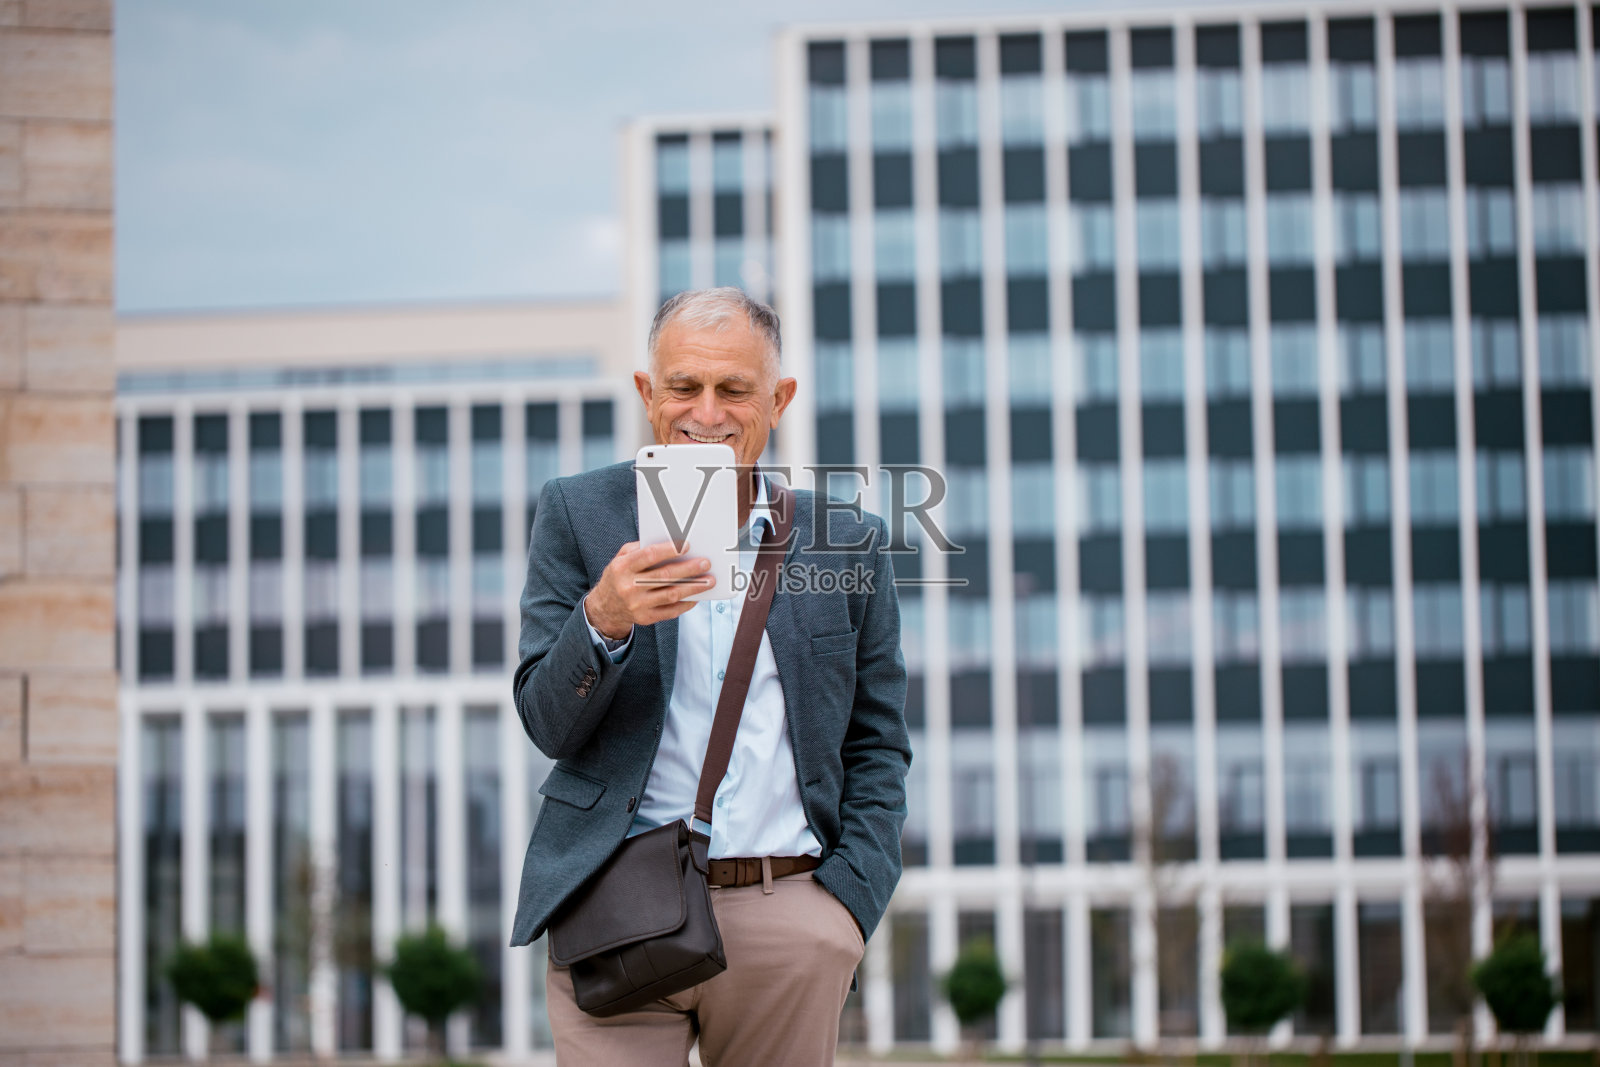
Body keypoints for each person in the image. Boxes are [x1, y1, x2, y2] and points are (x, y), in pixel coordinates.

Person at [509, 287, 911, 1065]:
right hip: (614, 903)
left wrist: (846, 907)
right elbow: (545, 721)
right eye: (683, 386)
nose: (707, 412)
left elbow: (879, 742)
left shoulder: (848, 541)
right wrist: (604, 617)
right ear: (645, 393)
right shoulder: (576, 514)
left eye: (734, 389)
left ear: (780, 398)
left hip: (788, 910)